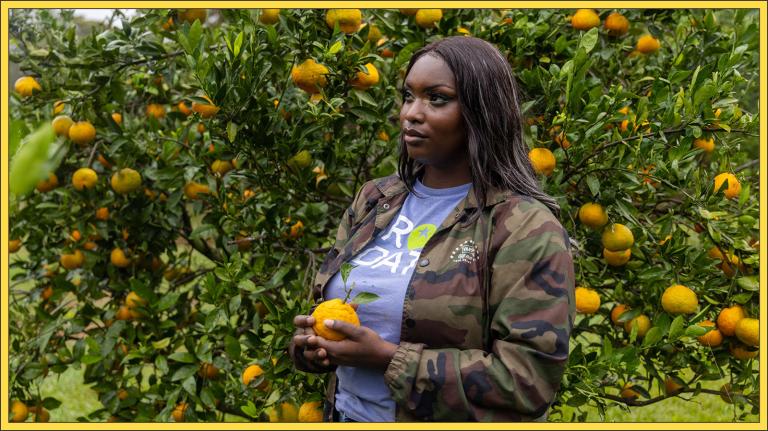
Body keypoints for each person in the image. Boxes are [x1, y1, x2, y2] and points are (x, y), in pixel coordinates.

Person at [289, 36, 575, 422]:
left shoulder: (522, 226)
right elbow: (333, 306)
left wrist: (388, 358)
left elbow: (529, 378)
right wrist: (314, 345)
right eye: (408, 96)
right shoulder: (375, 200)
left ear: (482, 111)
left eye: (436, 98)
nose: (412, 113)